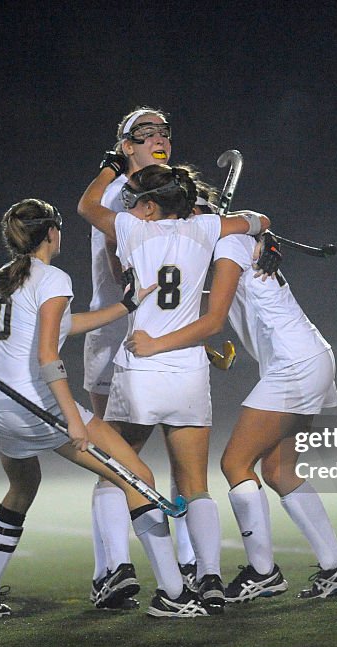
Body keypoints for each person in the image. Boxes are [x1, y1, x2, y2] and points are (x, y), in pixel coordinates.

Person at [0, 198, 207, 619]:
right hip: (35, 405)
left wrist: (127, 306)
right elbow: (47, 356)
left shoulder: (4, 277)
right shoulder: (53, 277)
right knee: (139, 477)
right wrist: (73, 420)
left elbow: (64, 325)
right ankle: (174, 594)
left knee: (22, 488)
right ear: (52, 233)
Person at [127, 192, 337, 603]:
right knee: (278, 470)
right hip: (307, 356)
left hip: (294, 363)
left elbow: (213, 316)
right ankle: (336, 565)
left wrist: (157, 343)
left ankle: (263, 571)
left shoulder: (225, 244)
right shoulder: (225, 244)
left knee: (235, 463)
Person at [78, 162, 270, 612]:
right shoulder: (206, 228)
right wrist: (255, 228)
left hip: (141, 369)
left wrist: (109, 169)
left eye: (136, 200)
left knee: (118, 471)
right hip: (188, 373)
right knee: (195, 485)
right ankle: (211, 579)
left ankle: (130, 573)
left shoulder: (131, 228)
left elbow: (87, 206)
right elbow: (259, 220)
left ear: (148, 206)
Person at [82, 107, 200, 609]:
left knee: (182, 455)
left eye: (164, 131)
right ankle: (111, 568)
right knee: (116, 460)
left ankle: (192, 562)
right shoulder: (118, 197)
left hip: (161, 340)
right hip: (115, 338)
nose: (159, 138)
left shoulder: (171, 193)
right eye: (144, 132)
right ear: (124, 145)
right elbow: (119, 259)